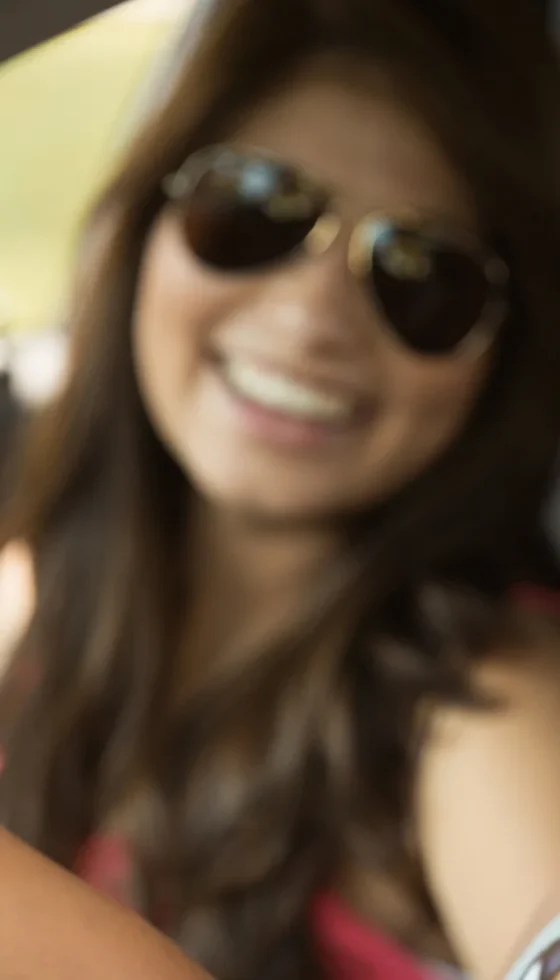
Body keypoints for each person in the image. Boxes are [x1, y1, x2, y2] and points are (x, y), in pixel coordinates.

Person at [1, 1, 560, 980]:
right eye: (253, 209)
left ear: (498, 358)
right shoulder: (39, 616)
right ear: (143, 229)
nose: (312, 318)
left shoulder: (477, 691)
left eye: (420, 274)